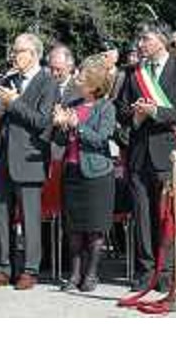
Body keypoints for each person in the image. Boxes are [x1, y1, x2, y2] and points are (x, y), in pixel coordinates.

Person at [116, 20, 176, 292]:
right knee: (141, 214)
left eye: (146, 39)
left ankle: (166, 272)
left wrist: (156, 112)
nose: (141, 44)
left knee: (165, 216)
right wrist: (136, 114)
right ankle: (145, 270)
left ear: (161, 41)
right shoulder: (133, 73)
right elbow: (120, 110)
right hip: (139, 153)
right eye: (140, 40)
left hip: (168, 152)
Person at [0, 32, 58, 290]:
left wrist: (14, 102)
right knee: (1, 216)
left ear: (34, 54)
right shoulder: (9, 79)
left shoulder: (47, 82)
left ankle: (30, 269)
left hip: (29, 158)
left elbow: (42, 122)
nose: (13, 55)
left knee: (30, 218)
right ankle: (3, 268)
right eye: (13, 51)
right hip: (2, 157)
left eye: (19, 51)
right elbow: (1, 121)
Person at [52, 57, 116, 291]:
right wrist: (60, 124)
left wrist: (77, 125)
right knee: (74, 228)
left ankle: (91, 274)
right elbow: (60, 140)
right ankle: (75, 274)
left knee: (94, 228)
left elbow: (101, 139)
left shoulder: (106, 107)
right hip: (71, 171)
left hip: (97, 174)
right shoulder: (72, 102)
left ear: (94, 83)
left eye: (81, 77)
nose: (77, 79)